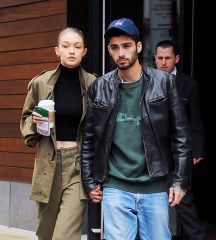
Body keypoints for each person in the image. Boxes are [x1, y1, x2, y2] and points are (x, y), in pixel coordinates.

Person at [81, 18, 192, 240]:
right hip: (116, 186)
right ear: (109, 51)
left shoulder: (163, 83)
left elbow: (181, 135)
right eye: (114, 47)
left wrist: (180, 181)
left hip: (155, 186)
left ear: (138, 47)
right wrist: (89, 181)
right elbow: (89, 139)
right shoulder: (99, 87)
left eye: (126, 45)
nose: (121, 52)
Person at [20, 27, 96, 240]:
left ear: (84, 51)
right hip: (48, 163)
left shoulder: (94, 84)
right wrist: (34, 123)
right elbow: (26, 122)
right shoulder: (40, 83)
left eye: (77, 46)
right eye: (66, 46)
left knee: (65, 234)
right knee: (46, 233)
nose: (71, 51)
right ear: (57, 51)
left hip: (78, 164)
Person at [155, 40, 205, 240]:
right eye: (160, 58)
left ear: (176, 59)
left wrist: (198, 149)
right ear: (155, 59)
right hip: (154, 150)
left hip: (179, 151)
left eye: (168, 58)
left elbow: (196, 119)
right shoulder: (147, 81)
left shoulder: (189, 85)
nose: (164, 62)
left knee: (183, 198)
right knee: (152, 198)